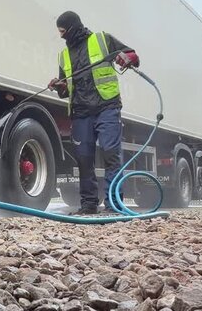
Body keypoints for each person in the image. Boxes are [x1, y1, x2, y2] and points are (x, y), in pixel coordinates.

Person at [48, 11, 139, 214]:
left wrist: (127, 58)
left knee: (110, 153)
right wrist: (58, 86)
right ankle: (88, 204)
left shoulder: (101, 39)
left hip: (106, 106)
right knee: (84, 158)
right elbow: (66, 89)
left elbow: (132, 55)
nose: (61, 36)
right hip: (81, 112)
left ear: (73, 27)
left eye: (63, 31)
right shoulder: (63, 56)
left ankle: (114, 204)